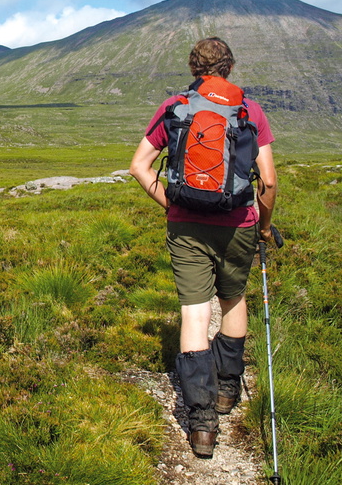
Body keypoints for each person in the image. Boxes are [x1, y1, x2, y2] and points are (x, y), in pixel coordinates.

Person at [129, 37, 277, 459]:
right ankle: (229, 389)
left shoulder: (175, 107)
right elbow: (267, 181)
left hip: (186, 224)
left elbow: (139, 167)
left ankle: (201, 424)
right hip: (239, 224)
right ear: (229, 67)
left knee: (194, 313)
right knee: (232, 299)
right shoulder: (250, 110)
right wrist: (264, 227)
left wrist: (172, 203)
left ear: (194, 67)